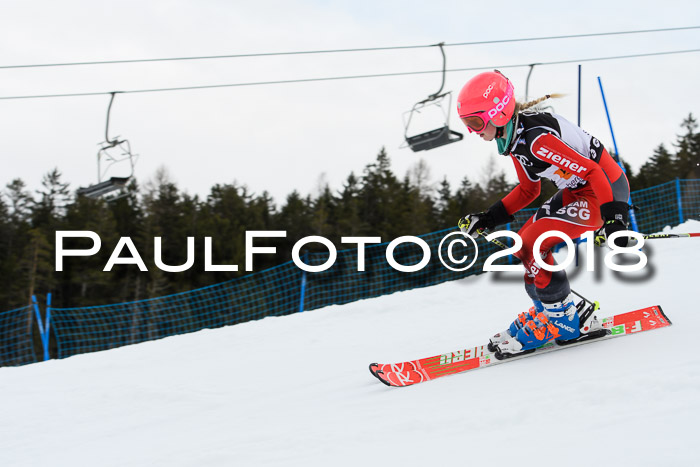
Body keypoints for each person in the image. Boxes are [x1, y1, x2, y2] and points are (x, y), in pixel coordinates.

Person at [455, 70, 631, 357]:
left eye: (475, 122)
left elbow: (593, 170)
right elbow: (528, 191)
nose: (473, 131)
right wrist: (489, 217)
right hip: (580, 189)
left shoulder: (536, 141)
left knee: (534, 246)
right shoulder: (516, 141)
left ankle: (563, 324)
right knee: (523, 247)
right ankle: (552, 312)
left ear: (498, 114)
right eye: (467, 124)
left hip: (603, 190)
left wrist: (614, 217)